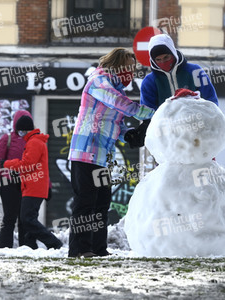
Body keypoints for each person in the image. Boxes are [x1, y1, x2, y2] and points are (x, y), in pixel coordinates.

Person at [67, 47, 155, 258]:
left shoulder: (117, 89)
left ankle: (98, 249)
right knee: (85, 204)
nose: (131, 74)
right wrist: (153, 113)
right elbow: (118, 103)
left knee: (101, 205)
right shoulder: (98, 81)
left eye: (133, 70)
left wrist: (129, 135)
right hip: (85, 152)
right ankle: (79, 250)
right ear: (117, 65)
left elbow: (116, 124)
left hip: (103, 157)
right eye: (128, 68)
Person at [126, 33, 219, 148]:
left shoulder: (195, 72)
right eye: (158, 60)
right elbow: (149, 114)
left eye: (166, 57)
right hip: (168, 142)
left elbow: (211, 102)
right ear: (153, 60)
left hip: (198, 136)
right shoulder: (149, 82)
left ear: (173, 53)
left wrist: (211, 124)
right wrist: (143, 132)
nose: (163, 62)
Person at [3, 116, 62, 250]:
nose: (18, 134)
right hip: (32, 186)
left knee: (27, 219)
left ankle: (53, 242)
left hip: (34, 187)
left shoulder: (34, 142)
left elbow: (27, 164)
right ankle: (30, 245)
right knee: (29, 218)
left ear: (24, 130)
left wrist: (7, 164)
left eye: (19, 131)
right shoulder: (34, 141)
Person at [0, 110, 31, 249]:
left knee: (24, 219)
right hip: (9, 184)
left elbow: (41, 165)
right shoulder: (6, 139)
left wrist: (47, 186)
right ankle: (5, 248)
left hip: (27, 184)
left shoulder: (33, 140)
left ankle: (25, 249)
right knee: (9, 218)